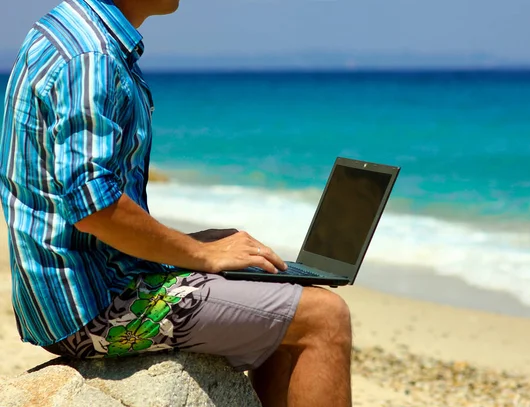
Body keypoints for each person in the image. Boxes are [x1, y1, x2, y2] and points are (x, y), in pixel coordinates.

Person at [0, 0, 352, 406]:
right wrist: (199, 254)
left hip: (75, 289)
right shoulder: (91, 56)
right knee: (326, 317)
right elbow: (94, 208)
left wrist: (184, 248)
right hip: (94, 308)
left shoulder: (69, 32)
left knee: (272, 285)